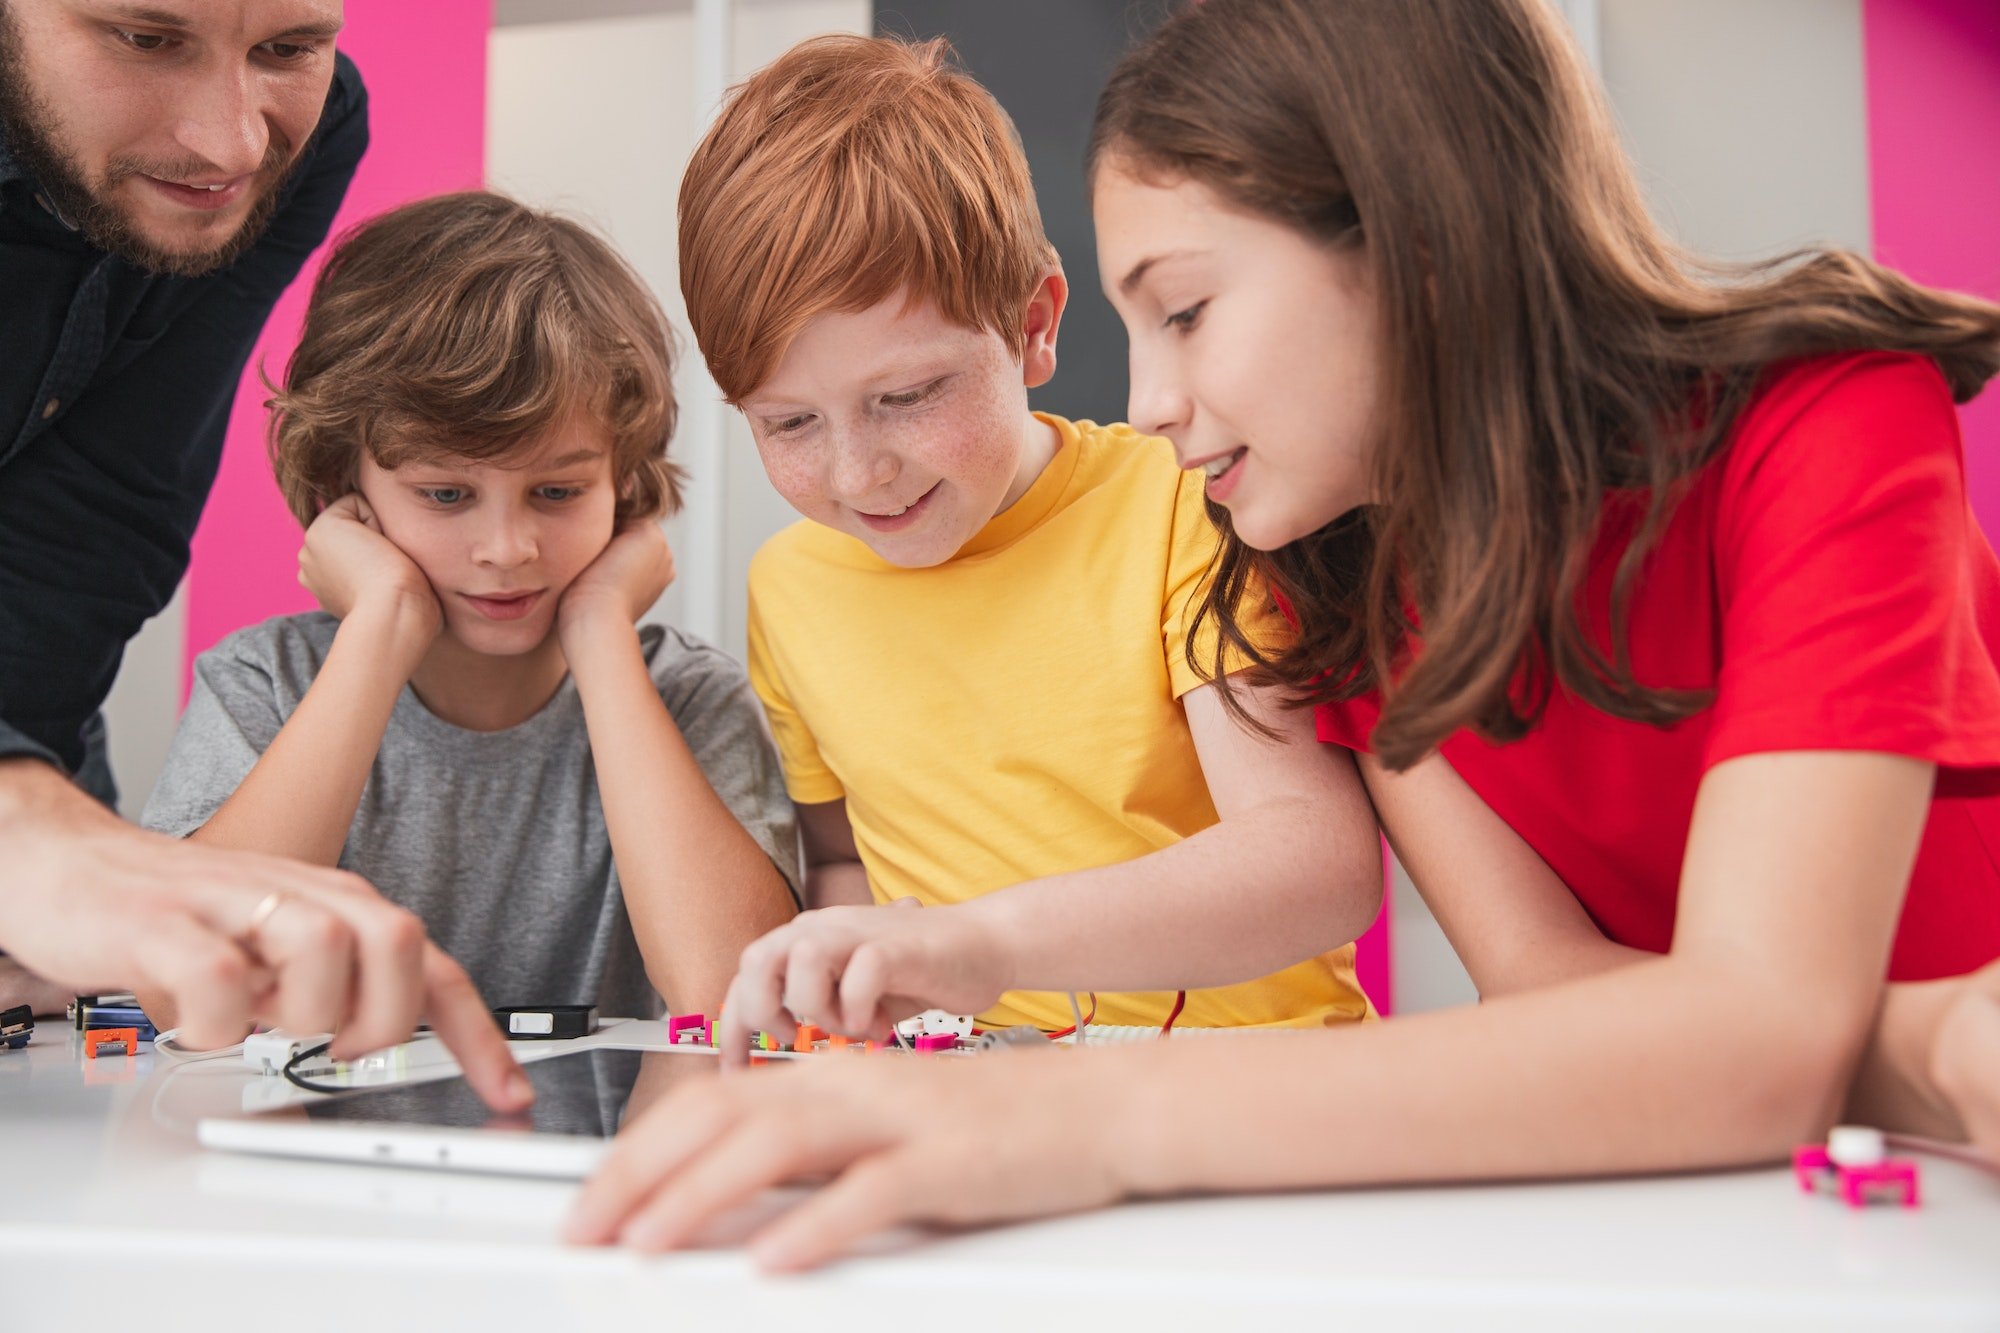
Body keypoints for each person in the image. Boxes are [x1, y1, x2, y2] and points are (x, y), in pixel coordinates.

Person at [566, 0, 2000, 1268]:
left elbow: (1741, 1043)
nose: (1149, 404)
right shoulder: (1349, 575)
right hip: (1818, 1182)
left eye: (1185, 311)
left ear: (1420, 248)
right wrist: (1922, 1043)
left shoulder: (1825, 424)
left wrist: (1085, 1112)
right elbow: (1566, 1003)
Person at [674, 33, 1382, 1056]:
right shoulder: (788, 588)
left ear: (1033, 324)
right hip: (976, 1103)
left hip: (1251, 1086)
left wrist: (978, 941)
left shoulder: (1183, 506)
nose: (855, 472)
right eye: (788, 423)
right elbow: (844, 867)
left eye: (905, 397)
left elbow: (1310, 862)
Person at [0, 0, 525, 1103]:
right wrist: (21, 829)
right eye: (145, 38)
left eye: (288, 47)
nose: (230, 144)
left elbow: (99, 510)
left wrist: (45, 830)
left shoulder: (306, 131)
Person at [140, 191, 801, 1034]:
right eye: (446, 493)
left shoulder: (688, 698)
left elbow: (738, 998)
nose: (506, 547)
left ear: (625, 488)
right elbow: (181, 991)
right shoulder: (263, 686)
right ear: (346, 487)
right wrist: (381, 621)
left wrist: (600, 630)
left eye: (557, 491)